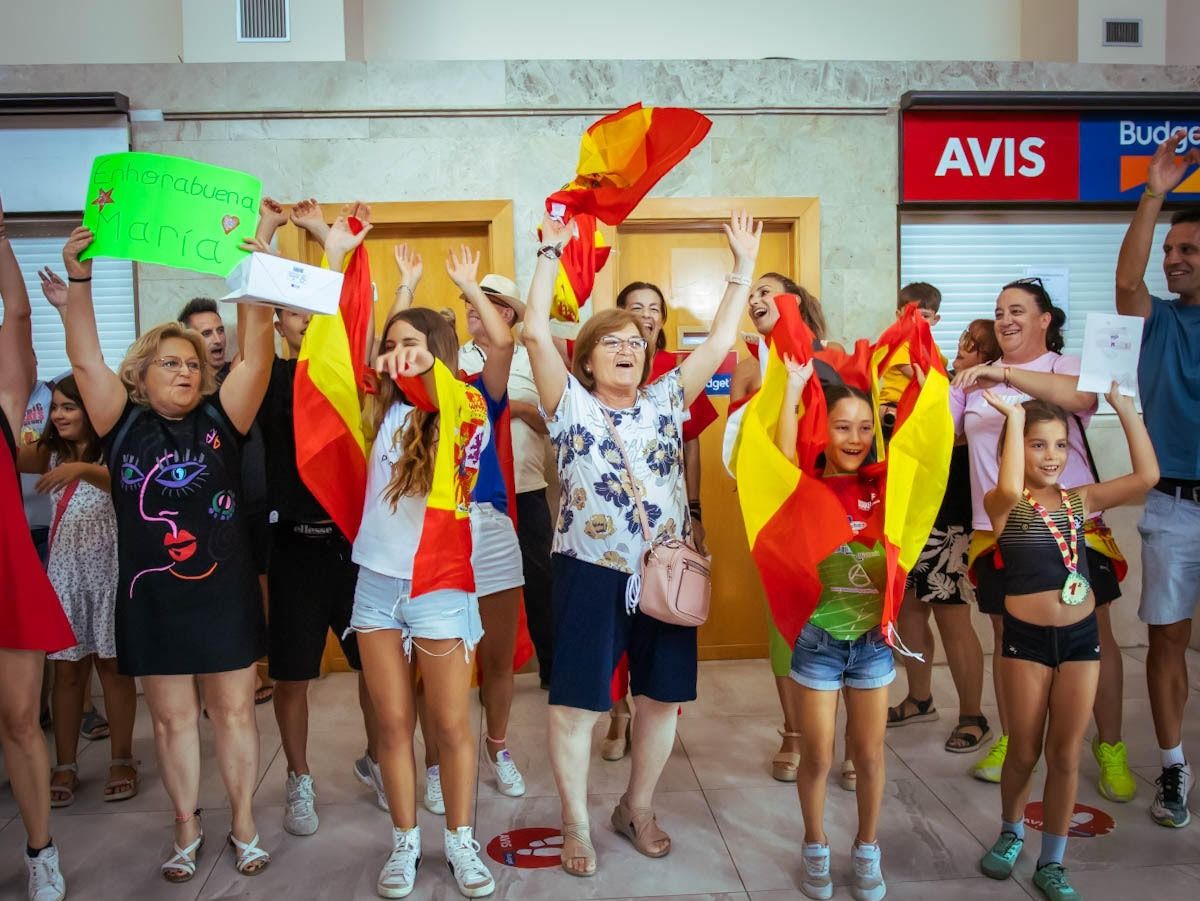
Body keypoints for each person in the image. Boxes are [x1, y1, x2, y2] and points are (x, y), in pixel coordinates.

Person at [524, 209, 761, 877]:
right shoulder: (567, 402)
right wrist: (548, 250)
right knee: (579, 705)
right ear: (588, 357)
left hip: (665, 574)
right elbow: (534, 330)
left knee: (661, 697)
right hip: (589, 573)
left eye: (635, 341)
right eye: (612, 342)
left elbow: (717, 344)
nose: (627, 348)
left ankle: (637, 804)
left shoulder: (664, 399)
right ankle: (575, 819)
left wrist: (741, 268)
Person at [59, 213, 276, 881]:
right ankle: (185, 823)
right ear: (142, 374)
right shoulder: (117, 423)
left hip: (223, 592)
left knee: (234, 710)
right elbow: (84, 358)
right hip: (151, 598)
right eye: (170, 362)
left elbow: (259, 352)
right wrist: (79, 276)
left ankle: (242, 819)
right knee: (174, 721)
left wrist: (258, 265)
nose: (185, 371)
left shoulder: (224, 416)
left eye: (191, 363)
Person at [339, 215, 495, 897]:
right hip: (376, 584)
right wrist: (370, 272)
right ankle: (405, 841)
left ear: (435, 351)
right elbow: (351, 348)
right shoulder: (381, 412)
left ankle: (460, 840)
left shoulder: (464, 408)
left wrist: (420, 356)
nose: (395, 354)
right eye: (389, 344)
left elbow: (433, 380)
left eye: (411, 344)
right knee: (393, 725)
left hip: (438, 585)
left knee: (451, 724)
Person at [952, 280, 1133, 797]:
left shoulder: (1063, 365)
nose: (1005, 319)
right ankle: (1014, 738)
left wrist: (1001, 373)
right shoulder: (972, 379)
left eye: (1017, 310)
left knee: (1095, 634)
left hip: (1068, 524)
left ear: (1045, 320)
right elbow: (943, 434)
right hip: (998, 530)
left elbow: (1081, 398)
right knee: (1006, 639)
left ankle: (1111, 747)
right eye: (998, 311)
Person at [978, 386, 1157, 900]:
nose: (1051, 456)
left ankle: (1052, 862)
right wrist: (1013, 419)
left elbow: (1146, 477)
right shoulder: (1004, 505)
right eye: (1038, 445)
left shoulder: (1079, 504)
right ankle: (1012, 832)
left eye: (1059, 445)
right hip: (1026, 643)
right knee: (1024, 752)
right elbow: (1011, 489)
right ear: (1017, 448)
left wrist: (1125, 410)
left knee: (1065, 755)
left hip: (1080, 641)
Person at [249, 198, 380, 838]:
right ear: (280, 322)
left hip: (352, 548)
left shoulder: (346, 373)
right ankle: (298, 778)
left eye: (313, 307)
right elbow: (261, 307)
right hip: (293, 550)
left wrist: (329, 241)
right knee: (293, 674)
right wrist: (268, 234)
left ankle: (380, 759)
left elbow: (355, 309)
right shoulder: (267, 379)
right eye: (291, 309)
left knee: (374, 668)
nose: (304, 317)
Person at [388, 243, 529, 811]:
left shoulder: (476, 394)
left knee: (496, 659)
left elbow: (502, 341)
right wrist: (404, 288)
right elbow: (386, 349)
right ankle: (436, 765)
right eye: (416, 347)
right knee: (435, 668)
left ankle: (497, 746)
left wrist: (472, 288)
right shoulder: (404, 405)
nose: (423, 354)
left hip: (489, 531)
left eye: (433, 344)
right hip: (430, 540)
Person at [729, 272, 853, 788]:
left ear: (795, 302)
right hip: (781, 516)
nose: (757, 299)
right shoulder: (746, 368)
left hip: (837, 510)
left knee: (847, 623)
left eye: (768, 291)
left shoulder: (837, 355)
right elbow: (740, 449)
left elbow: (857, 429)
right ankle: (794, 733)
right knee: (788, 625)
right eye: (751, 294)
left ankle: (845, 739)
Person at [1114, 130, 1200, 829]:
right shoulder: (1158, 322)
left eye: (1186, 251)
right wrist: (1154, 195)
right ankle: (1173, 766)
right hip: (1173, 503)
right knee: (1167, 637)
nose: (1172, 262)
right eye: (1169, 250)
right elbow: (1125, 284)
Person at [599, 280, 720, 760]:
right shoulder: (600, 369)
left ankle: (653, 714)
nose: (645, 315)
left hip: (666, 528)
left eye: (654, 308)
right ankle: (618, 717)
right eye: (634, 308)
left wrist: (695, 508)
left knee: (663, 610)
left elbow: (691, 443)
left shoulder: (676, 372)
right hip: (609, 527)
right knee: (614, 629)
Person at [0, 196, 75, 901]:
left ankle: (39, 850)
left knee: (21, 718)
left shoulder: (4, 400)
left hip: (6, 577)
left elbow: (18, 320)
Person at [17, 375, 138, 808]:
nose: (60, 415)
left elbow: (124, 484)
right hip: (66, 573)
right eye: (55, 408)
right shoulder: (48, 453)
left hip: (110, 571)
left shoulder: (117, 449)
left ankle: (122, 758)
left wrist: (82, 469)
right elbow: (10, 455)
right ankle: (65, 764)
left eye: (70, 406)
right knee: (67, 672)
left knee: (114, 667)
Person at [887, 318, 997, 753]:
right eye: (963, 342)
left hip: (953, 517)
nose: (961, 349)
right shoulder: (944, 385)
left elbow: (945, 439)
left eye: (972, 345)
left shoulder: (982, 395)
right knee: (911, 609)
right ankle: (920, 698)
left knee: (952, 614)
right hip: (917, 516)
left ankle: (973, 715)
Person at [178, 296, 230, 382]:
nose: (218, 340)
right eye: (206, 334)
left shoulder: (237, 371)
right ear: (189, 341)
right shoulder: (185, 383)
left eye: (220, 331)